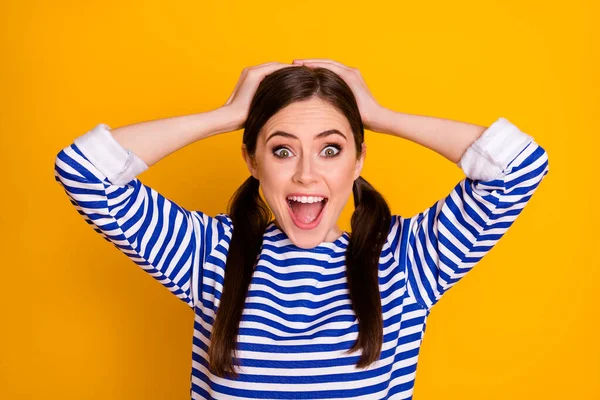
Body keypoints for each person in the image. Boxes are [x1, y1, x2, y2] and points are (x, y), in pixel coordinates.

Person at [53, 59, 550, 399]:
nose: (307, 174)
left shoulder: (403, 261)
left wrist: (379, 115)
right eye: (282, 149)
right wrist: (228, 116)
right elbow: (83, 169)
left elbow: (519, 166)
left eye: (332, 149)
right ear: (252, 159)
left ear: (358, 161)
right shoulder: (209, 255)